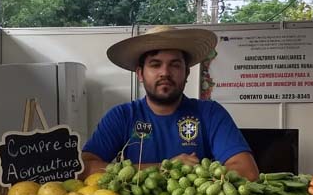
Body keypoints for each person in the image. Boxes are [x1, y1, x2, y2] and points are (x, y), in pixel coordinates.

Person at [81, 26, 259, 181]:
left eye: (174, 65)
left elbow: (247, 171)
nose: (165, 73)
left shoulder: (210, 113)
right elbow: (85, 168)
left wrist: (189, 178)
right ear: (140, 74)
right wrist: (164, 168)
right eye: (155, 64)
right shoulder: (122, 116)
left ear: (186, 73)